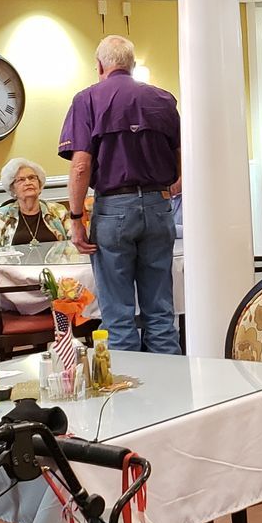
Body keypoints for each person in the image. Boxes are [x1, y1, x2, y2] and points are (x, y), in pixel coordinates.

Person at [61, 34, 182, 354]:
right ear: (133, 65)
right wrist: (162, 191)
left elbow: (80, 166)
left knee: (118, 315)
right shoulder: (163, 100)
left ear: (100, 65)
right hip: (159, 207)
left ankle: (128, 397)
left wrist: (76, 218)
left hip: (113, 209)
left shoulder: (87, 100)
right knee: (160, 312)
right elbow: (184, 162)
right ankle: (170, 395)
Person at [0, 156, 57, 248]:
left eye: (32, 178)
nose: (28, 182)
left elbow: (73, 243)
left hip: (55, 262)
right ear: (12, 189)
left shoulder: (58, 212)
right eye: (21, 180)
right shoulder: (1, 216)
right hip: (13, 262)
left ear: (40, 184)